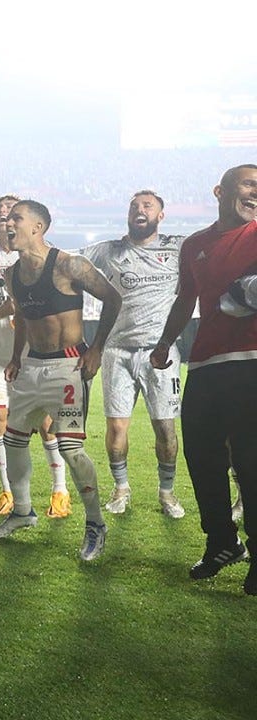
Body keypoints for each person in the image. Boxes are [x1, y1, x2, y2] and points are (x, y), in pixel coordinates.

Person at [0, 200, 121, 562]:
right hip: (32, 365)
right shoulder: (11, 274)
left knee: (71, 449)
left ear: (38, 226)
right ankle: (23, 511)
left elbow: (113, 298)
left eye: (16, 218)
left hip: (68, 365)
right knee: (13, 439)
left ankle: (95, 524)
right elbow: (21, 318)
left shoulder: (69, 264)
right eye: (7, 219)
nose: (8, 223)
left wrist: (96, 349)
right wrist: (17, 357)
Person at [152, 164, 257, 594]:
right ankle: (221, 542)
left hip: (252, 361)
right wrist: (164, 344)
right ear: (221, 190)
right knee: (201, 457)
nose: (255, 193)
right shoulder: (194, 244)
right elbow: (185, 299)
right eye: (250, 184)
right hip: (205, 364)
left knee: (251, 463)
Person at [83, 191, 185, 518]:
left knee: (166, 430)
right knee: (116, 430)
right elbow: (67, 258)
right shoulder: (110, 250)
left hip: (162, 353)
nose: (139, 210)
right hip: (117, 352)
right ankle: (121, 487)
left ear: (161, 214)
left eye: (147, 205)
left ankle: (166, 492)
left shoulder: (178, 247)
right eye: (134, 206)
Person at [0, 197, 68, 517]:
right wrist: (13, 307)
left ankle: (60, 490)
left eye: (13, 211)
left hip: (32, 350)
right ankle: (7, 492)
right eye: (1, 210)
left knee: (44, 422)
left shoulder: (41, 252)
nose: (6, 215)